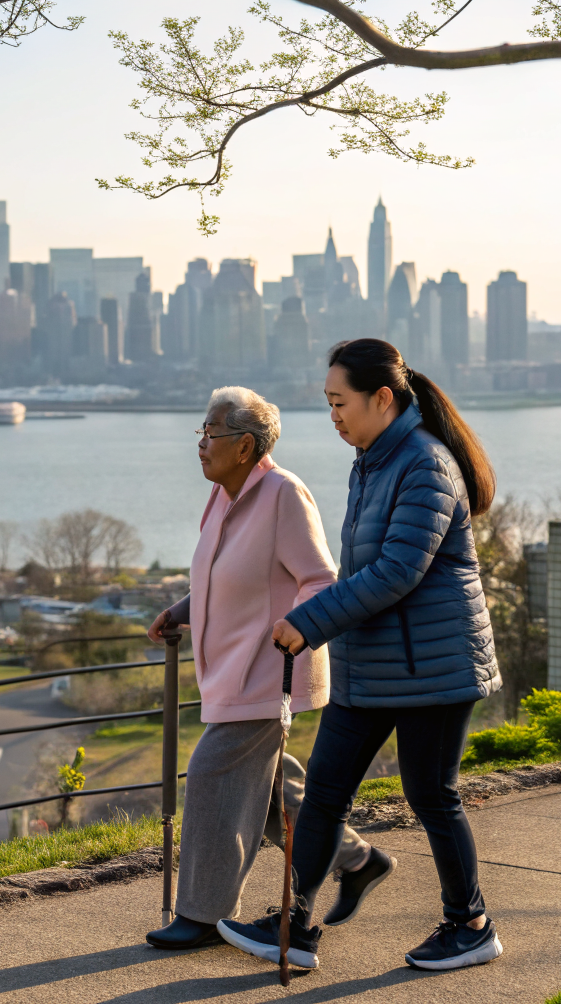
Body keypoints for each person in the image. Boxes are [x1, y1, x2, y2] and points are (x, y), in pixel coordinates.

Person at [216, 339, 504, 972]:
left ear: (382, 398)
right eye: (327, 404)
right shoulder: (373, 460)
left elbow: (399, 570)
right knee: (323, 793)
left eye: (340, 402)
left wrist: (309, 622)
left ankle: (472, 925)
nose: (333, 416)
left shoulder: (426, 463)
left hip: (432, 666)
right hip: (372, 662)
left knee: (432, 796)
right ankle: (294, 923)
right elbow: (364, 569)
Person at [144, 386, 388, 957]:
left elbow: (320, 579)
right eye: (200, 432)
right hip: (230, 669)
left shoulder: (283, 494)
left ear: (247, 446)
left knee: (212, 776)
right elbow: (222, 576)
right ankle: (359, 859)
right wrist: (182, 611)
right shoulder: (223, 498)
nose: (201, 444)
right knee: (277, 790)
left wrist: (294, 628)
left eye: (213, 433)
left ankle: (203, 914)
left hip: (267, 668)